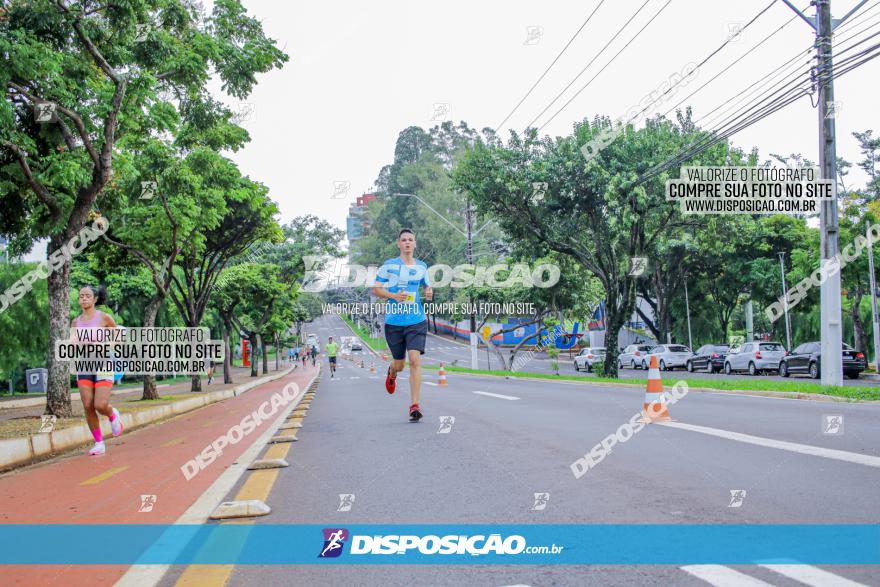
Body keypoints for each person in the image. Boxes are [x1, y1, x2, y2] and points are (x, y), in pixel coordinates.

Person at [371, 228, 433, 422]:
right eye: (404, 240)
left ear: (415, 244)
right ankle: (391, 371)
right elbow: (376, 290)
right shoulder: (389, 265)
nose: (407, 242)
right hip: (394, 322)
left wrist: (429, 291)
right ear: (398, 244)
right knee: (400, 365)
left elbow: (427, 285)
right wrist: (393, 296)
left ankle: (414, 405)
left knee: (415, 359)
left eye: (410, 240)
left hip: (416, 320)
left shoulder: (422, 266)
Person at [71, 285, 123, 455]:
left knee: (100, 405)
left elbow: (117, 336)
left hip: (103, 362)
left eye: (87, 296)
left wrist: (107, 345)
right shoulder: (76, 322)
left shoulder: (104, 318)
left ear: (94, 299)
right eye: (81, 296)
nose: (83, 298)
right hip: (85, 363)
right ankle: (99, 442)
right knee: (87, 405)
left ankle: (112, 414)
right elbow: (73, 343)